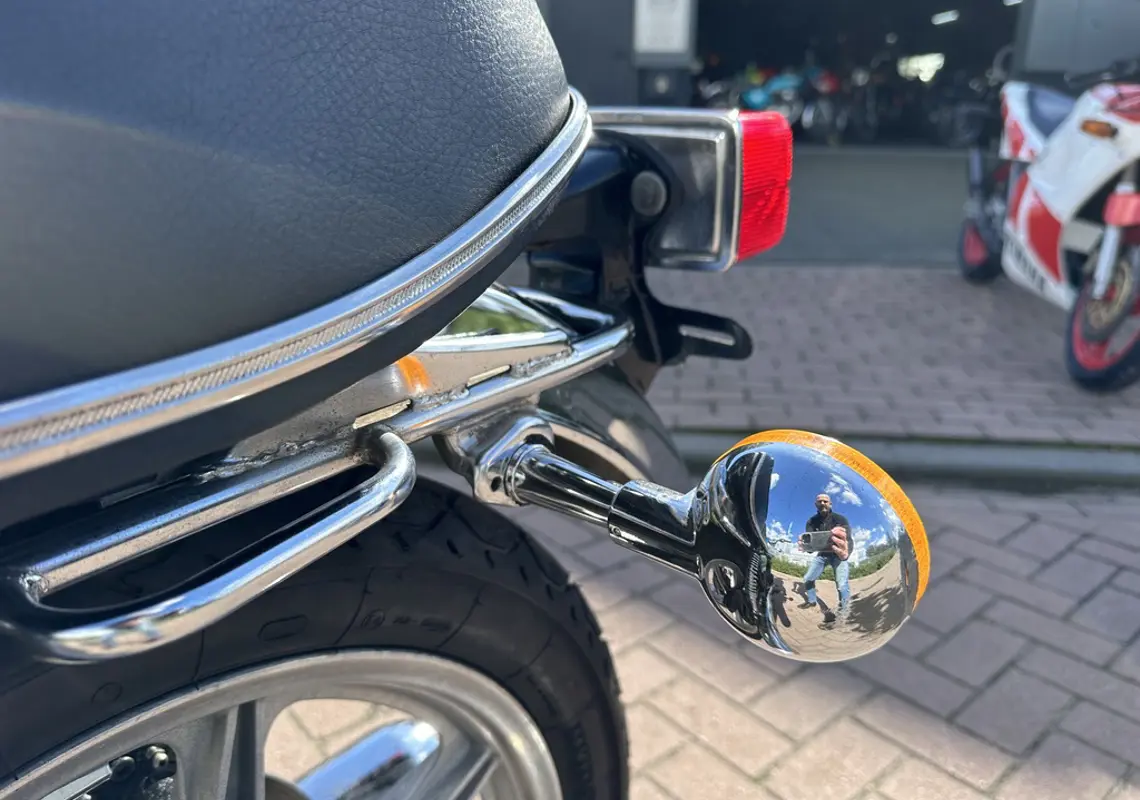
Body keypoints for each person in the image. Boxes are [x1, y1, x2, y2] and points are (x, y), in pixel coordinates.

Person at [798, 493, 851, 623]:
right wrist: (806, 547)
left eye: (825, 501)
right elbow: (810, 546)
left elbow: (848, 539)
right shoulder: (811, 521)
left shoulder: (840, 519)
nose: (822, 503)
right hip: (822, 554)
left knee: (842, 585)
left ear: (830, 504)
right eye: (819, 501)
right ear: (815, 504)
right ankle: (812, 601)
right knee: (808, 578)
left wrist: (846, 552)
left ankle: (843, 613)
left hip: (838, 555)